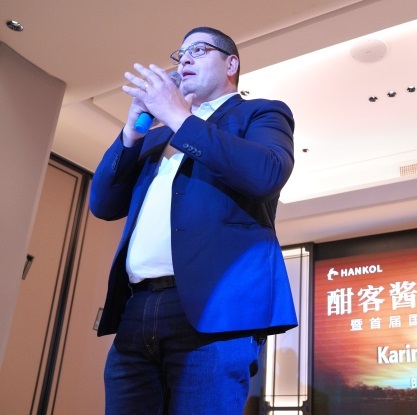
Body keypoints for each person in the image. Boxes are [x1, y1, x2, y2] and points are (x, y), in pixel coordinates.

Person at [89, 26, 298, 415]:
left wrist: (176, 114)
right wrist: (133, 130)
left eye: (198, 50)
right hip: (137, 308)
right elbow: (103, 204)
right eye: (180, 53)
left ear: (231, 64)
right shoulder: (157, 137)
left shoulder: (260, 112)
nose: (184, 58)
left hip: (215, 310)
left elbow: (266, 175)